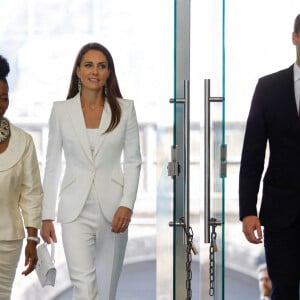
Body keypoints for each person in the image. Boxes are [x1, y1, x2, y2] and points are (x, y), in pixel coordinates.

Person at [41, 42, 142, 300]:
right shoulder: (61, 111)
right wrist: (46, 215)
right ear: (78, 71)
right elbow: (52, 164)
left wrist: (127, 205)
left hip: (114, 211)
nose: (94, 71)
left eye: (101, 66)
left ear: (109, 72)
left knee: (106, 290)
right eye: (88, 65)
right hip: (75, 210)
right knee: (84, 287)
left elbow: (133, 161)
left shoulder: (125, 109)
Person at [239, 14, 300, 300]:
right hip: (281, 214)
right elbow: (252, 153)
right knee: (284, 291)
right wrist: (248, 210)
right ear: (294, 38)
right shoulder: (269, 88)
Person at [0, 55, 43, 298]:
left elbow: (32, 194)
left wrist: (32, 239)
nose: (0, 104)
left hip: (8, 240)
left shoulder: (23, 142)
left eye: (4, 98)